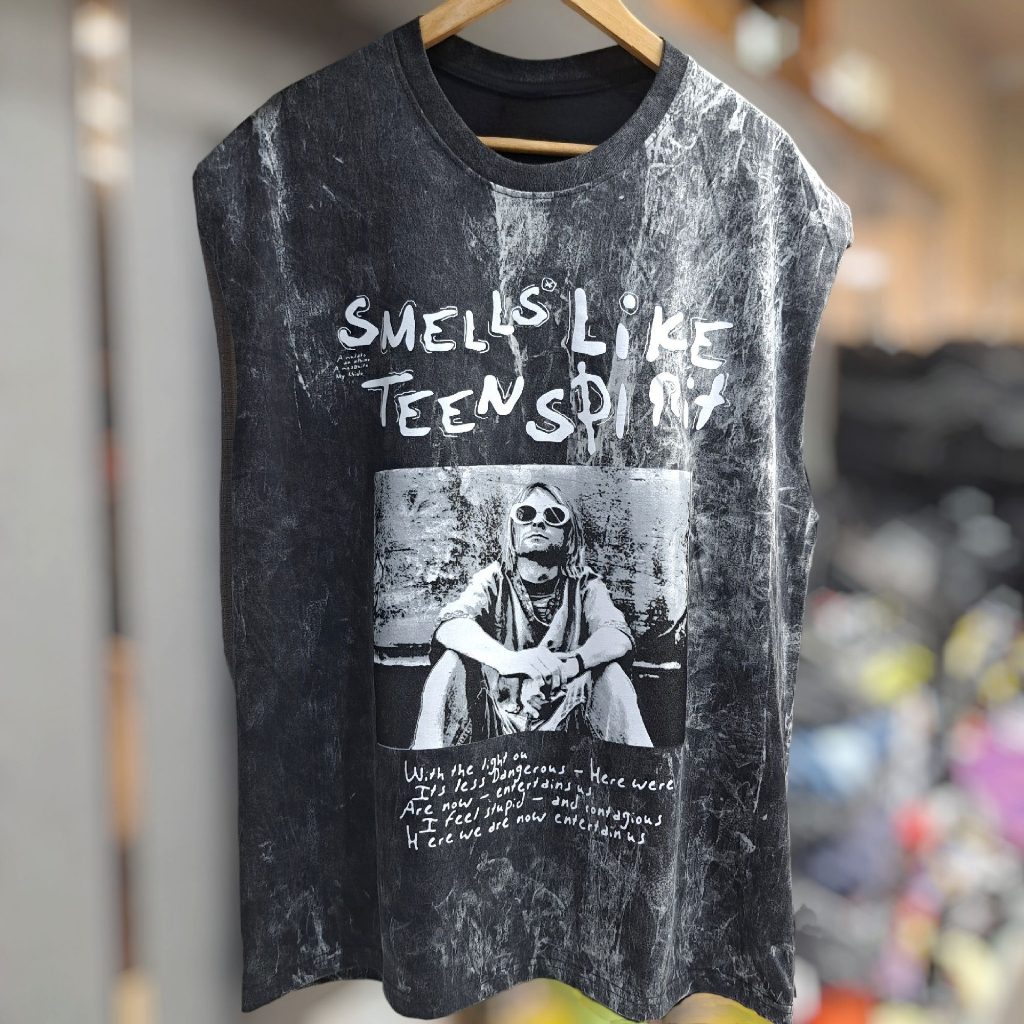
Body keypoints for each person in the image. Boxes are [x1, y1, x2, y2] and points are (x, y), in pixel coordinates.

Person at [411, 480, 652, 748]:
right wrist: (510, 662)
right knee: (450, 664)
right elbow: (451, 625)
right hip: (497, 721)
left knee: (611, 674)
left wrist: (573, 664)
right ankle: (427, 768)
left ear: (567, 534)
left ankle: (639, 770)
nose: (538, 522)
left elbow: (617, 636)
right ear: (513, 531)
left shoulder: (584, 584)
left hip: (568, 723)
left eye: (553, 516)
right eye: (525, 514)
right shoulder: (494, 579)